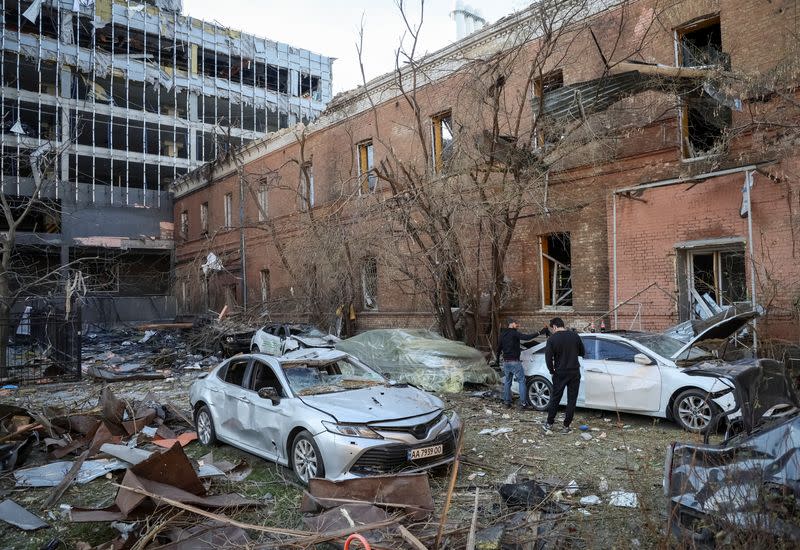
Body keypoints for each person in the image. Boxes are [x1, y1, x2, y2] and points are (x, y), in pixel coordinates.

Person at [543, 317, 585, 434]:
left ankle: (549, 423)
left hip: (560, 372)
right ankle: (566, 426)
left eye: (552, 329)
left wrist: (552, 371)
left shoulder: (552, 339)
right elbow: (582, 352)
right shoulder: (574, 336)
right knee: (572, 399)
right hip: (574, 371)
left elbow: (548, 359)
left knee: (555, 398)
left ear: (555, 327)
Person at [496, 319, 549, 410]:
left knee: (508, 381)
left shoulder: (502, 334)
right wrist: (540, 332)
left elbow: (498, 348)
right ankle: (523, 404)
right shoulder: (514, 333)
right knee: (521, 381)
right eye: (516, 323)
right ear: (511, 324)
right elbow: (527, 337)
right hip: (515, 362)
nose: (517, 325)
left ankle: (507, 402)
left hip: (506, 362)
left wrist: (497, 360)